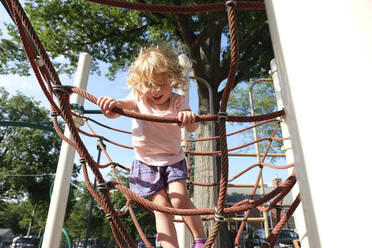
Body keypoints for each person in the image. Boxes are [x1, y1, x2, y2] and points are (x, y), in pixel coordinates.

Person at [97, 46, 207, 248]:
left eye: (162, 84)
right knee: (161, 206)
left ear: (172, 80)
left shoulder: (177, 101)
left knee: (180, 199)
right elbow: (119, 109)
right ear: (140, 83)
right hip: (146, 162)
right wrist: (110, 105)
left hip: (173, 160)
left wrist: (189, 118)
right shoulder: (138, 97)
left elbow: (191, 127)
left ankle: (200, 239)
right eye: (149, 84)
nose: (156, 90)